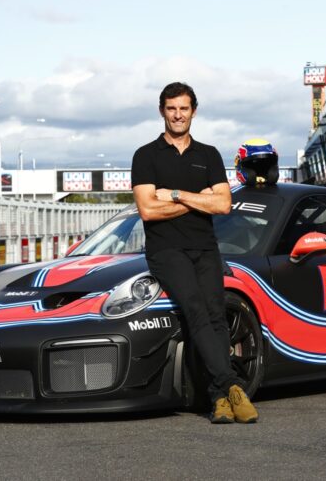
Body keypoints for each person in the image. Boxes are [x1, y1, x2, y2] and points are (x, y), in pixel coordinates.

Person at [131, 82, 259, 424]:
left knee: (217, 316)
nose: (177, 115)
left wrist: (173, 195)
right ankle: (232, 386)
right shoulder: (146, 155)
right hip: (166, 250)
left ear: (193, 112)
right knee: (197, 310)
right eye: (171, 108)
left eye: (183, 108)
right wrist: (197, 199)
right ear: (162, 111)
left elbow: (224, 203)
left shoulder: (209, 154)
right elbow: (148, 211)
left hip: (205, 248)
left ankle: (218, 399)